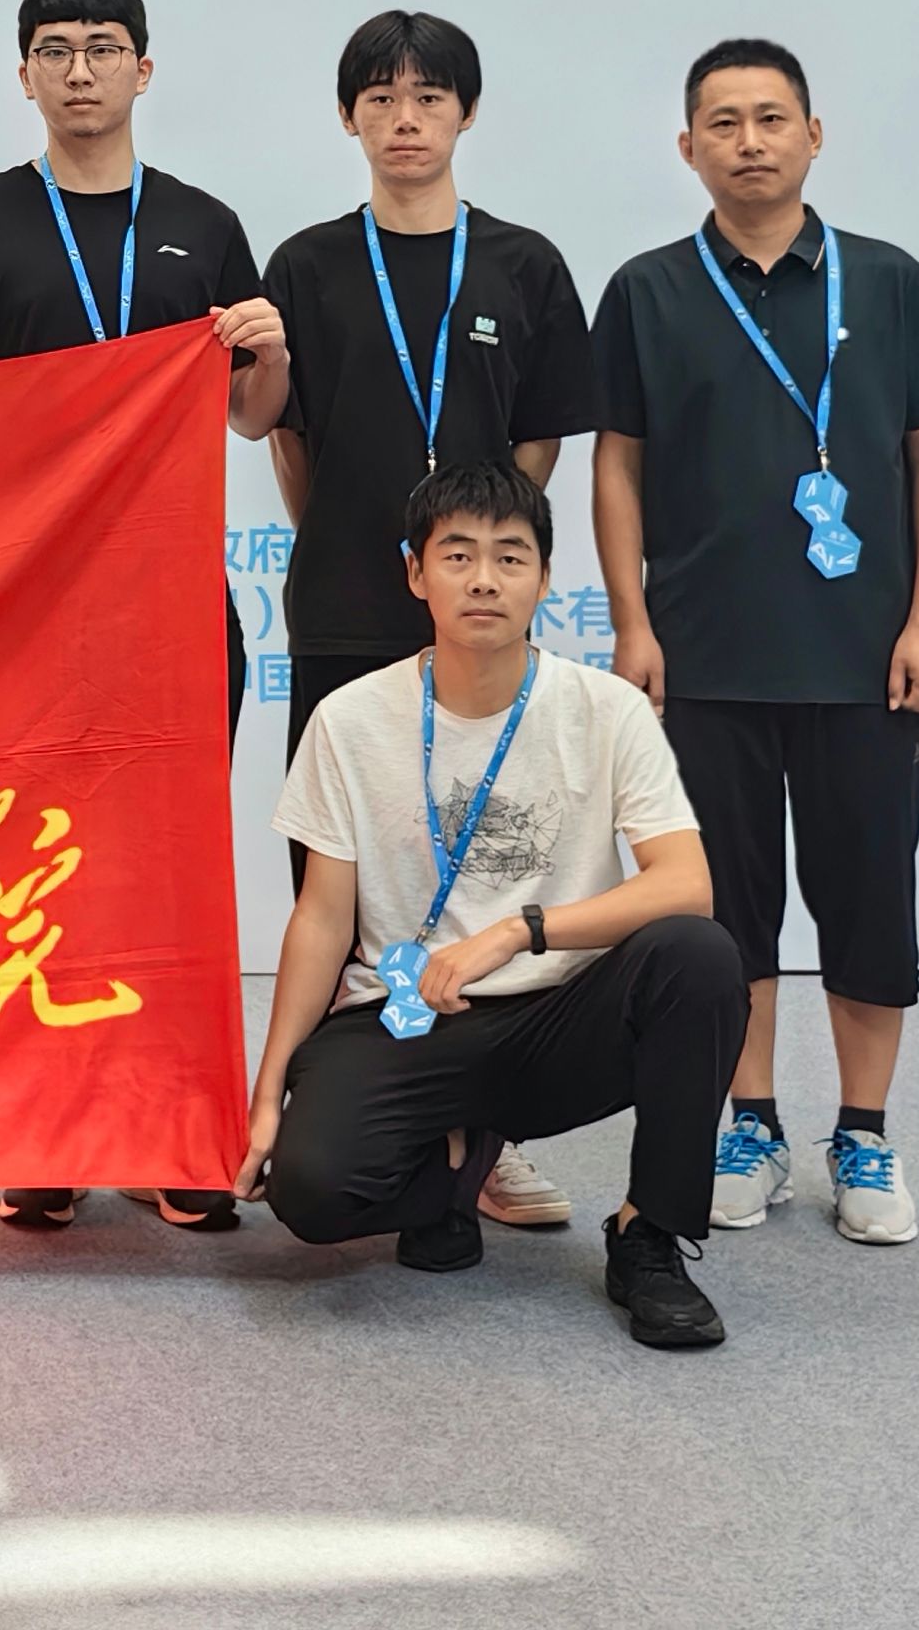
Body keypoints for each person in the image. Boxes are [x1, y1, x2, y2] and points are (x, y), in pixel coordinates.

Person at [0, 0, 286, 1234]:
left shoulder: (202, 224)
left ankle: (172, 1133)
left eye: (104, 46)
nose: (80, 70)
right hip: (22, 612)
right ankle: (48, 1134)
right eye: (56, 49)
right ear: (23, 74)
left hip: (171, 607)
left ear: (143, 69)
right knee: (25, 872)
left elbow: (251, 415)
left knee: (161, 874)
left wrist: (270, 351)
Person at [592, 39, 919, 1249]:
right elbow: (618, 465)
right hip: (703, 662)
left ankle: (863, 1131)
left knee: (870, 903)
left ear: (815, 136)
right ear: (686, 148)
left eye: (771, 118)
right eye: (723, 122)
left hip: (866, 663)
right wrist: (631, 624)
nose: (748, 141)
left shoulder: (888, 281)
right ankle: (748, 1123)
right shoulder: (648, 291)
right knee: (727, 913)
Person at [242, 461, 747, 1351]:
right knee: (311, 1193)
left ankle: (651, 1236)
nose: (484, 579)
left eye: (511, 558)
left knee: (697, 957)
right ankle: (452, 1163)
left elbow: (685, 883)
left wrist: (521, 932)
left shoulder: (607, 709)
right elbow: (321, 918)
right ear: (415, 573)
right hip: (405, 1018)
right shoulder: (350, 720)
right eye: (458, 555)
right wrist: (269, 1088)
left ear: (544, 580)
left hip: (558, 1015)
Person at [257, 9, 600, 1233]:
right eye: (381, 98)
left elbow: (538, 442)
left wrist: (471, 563)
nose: (405, 120)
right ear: (347, 115)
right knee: (342, 883)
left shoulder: (523, 264)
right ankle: (343, 1106)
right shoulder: (305, 264)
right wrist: (372, 547)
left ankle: (484, 1136)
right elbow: (289, 439)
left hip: (479, 633)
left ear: (466, 113)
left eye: (429, 97)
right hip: (344, 613)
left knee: (483, 867)